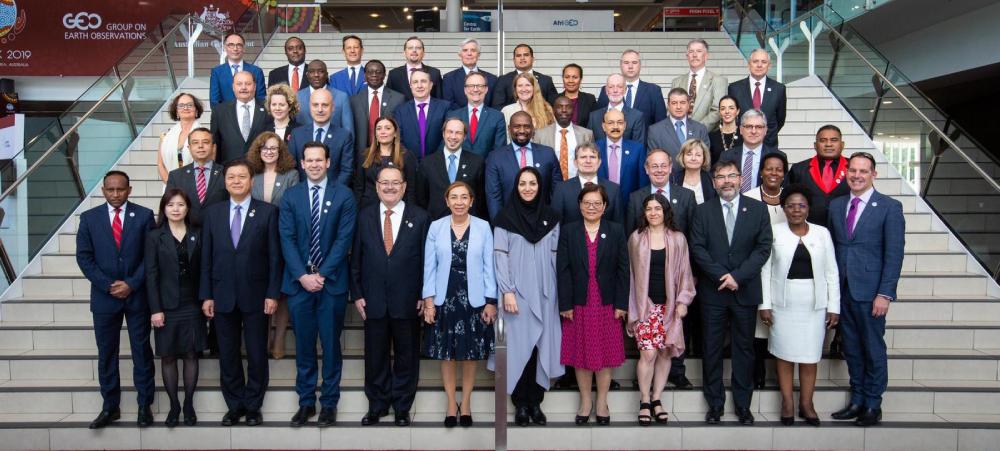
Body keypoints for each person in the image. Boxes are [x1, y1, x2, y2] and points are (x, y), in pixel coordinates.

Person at [688, 160, 773, 426]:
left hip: (744, 290)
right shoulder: (703, 211)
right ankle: (714, 405)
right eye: (721, 177)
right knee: (711, 349)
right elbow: (697, 248)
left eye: (732, 176)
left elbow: (763, 247)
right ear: (713, 182)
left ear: (740, 179)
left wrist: (738, 276)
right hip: (713, 292)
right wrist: (721, 276)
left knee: (743, 350)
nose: (727, 181)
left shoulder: (758, 210)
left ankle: (743, 406)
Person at [279, 143, 357, 427]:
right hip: (299, 285)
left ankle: (329, 404)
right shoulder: (291, 196)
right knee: (304, 346)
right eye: (309, 160)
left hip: (331, 283)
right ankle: (306, 402)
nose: (313, 165)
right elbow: (286, 239)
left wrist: (321, 274)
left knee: (331, 346)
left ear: (328, 162)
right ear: (302, 163)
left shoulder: (344, 195)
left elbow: (343, 240)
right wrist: (302, 275)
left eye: (318, 160)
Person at [200, 159, 283, 427]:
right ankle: (234, 405)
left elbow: (274, 257)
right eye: (231, 177)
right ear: (225, 181)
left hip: (257, 295)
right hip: (222, 295)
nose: (236, 181)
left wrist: (273, 294)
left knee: (257, 353)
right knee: (228, 353)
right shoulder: (213, 213)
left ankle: (253, 406)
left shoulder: (268, 212)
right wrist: (207, 295)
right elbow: (206, 258)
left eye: (242, 177)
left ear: (251, 181)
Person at [828, 152, 904, 427]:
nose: (857, 175)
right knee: (851, 347)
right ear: (846, 173)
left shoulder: (889, 207)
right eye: (853, 170)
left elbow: (894, 254)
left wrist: (885, 293)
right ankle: (857, 399)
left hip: (871, 293)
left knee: (872, 348)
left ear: (874, 174)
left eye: (863, 171)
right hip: (843, 291)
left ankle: (873, 403)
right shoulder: (836, 206)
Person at [351, 166, 430, 427]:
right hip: (372, 299)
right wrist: (358, 294)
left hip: (408, 299)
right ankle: (377, 405)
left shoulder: (420, 218)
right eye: (384, 183)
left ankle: (401, 407)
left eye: (395, 183)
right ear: (376, 187)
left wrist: (423, 293)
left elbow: (427, 261)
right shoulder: (364, 217)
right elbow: (356, 259)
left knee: (407, 356)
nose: (389, 187)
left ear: (404, 186)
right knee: (375, 355)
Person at [76, 170, 155, 429]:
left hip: (136, 296)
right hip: (104, 298)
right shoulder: (89, 219)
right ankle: (110, 407)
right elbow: (84, 258)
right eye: (110, 190)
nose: (116, 194)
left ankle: (145, 406)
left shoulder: (144, 216)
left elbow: (150, 256)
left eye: (121, 189)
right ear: (103, 190)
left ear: (129, 190)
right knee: (106, 353)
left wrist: (131, 284)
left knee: (141, 351)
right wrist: (108, 285)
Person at [758, 185, 840, 427]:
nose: (796, 210)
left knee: (809, 355)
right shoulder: (773, 232)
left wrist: (834, 306)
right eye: (791, 205)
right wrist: (765, 304)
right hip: (783, 302)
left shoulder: (822, 233)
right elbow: (765, 271)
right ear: (784, 208)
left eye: (801, 206)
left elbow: (831, 271)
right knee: (784, 354)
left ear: (808, 208)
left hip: (814, 304)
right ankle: (787, 403)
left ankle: (807, 403)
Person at [422, 182, 497, 428]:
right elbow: (429, 266)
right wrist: (429, 300)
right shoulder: (436, 227)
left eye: (464, 197)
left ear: (472, 201)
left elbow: (489, 266)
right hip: (444, 297)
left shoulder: (484, 227)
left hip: (474, 299)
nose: (459, 202)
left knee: (469, 353)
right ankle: (450, 403)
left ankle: (465, 404)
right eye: (454, 197)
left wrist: (490, 301)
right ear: (446, 201)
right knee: (447, 354)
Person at [493, 167, 564, 427]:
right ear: (516, 187)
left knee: (539, 347)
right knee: (518, 349)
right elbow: (500, 256)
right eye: (522, 183)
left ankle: (536, 403)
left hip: (546, 292)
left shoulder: (552, 217)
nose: (527, 188)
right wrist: (507, 290)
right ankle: (520, 404)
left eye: (533, 183)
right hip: (516, 295)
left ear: (540, 186)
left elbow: (556, 256)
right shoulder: (505, 218)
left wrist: (557, 292)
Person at [558, 183, 629, 426]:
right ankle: (586, 401)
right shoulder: (568, 231)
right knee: (581, 352)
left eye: (597, 203)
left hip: (606, 302)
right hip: (578, 302)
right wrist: (565, 303)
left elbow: (623, 270)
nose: (591, 207)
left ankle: (602, 402)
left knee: (605, 352)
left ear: (605, 206)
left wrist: (621, 303)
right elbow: (563, 270)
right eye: (587, 203)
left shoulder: (616, 230)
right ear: (579, 206)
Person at [627, 193, 695, 425]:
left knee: (665, 352)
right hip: (645, 305)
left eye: (658, 208)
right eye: (649, 209)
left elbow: (686, 271)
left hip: (670, 306)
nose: (653, 213)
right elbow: (629, 275)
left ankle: (657, 399)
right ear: (644, 213)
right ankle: (644, 400)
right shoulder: (636, 238)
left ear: (666, 211)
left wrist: (683, 301)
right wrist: (634, 304)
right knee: (648, 353)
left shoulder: (678, 239)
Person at [144, 188, 207, 427]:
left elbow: (205, 269)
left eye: (180, 205)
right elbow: (151, 275)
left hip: (192, 302)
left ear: (187, 208)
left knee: (191, 354)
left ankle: (189, 404)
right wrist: (155, 309)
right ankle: (174, 405)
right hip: (166, 305)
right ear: (164, 209)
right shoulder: (154, 236)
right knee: (168, 355)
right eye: (171, 205)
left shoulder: (197, 234)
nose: (176, 209)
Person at [246, 131, 300, 359]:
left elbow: (293, 206)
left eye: (273, 148)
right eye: (264, 148)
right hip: (255, 239)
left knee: (283, 291)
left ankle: (278, 340)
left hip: (281, 236)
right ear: (258, 151)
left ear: (280, 152)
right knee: (261, 289)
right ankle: (263, 337)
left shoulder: (291, 175)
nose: (269, 152)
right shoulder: (251, 175)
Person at [744, 152, 789, 389]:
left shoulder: (791, 200)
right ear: (761, 172)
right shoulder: (749, 198)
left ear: (784, 173)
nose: (773, 173)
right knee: (758, 324)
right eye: (769, 169)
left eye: (778, 169)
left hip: (784, 269)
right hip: (756, 267)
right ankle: (758, 370)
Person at [485, 111, 563, 219]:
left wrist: (553, 221)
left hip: (542, 221)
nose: (522, 131)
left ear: (532, 128)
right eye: (517, 126)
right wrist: (499, 225)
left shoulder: (548, 154)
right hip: (510, 223)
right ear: (509, 128)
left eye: (526, 126)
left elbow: (557, 192)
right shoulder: (495, 157)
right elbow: (493, 197)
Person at [417, 118, 487, 219]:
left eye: (458, 133)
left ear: (464, 137)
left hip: (468, 223)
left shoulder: (477, 162)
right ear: (443, 134)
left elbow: (480, 199)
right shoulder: (427, 163)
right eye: (450, 132)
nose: (453, 137)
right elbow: (421, 199)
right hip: (435, 223)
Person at [287, 88, 354, 186]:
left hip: (333, 196)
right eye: (315, 105)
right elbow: (291, 169)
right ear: (310, 107)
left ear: (333, 107)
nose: (320, 110)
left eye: (325, 105)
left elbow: (346, 171)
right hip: (302, 195)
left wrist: (332, 193)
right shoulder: (297, 134)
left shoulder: (344, 136)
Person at [787, 124, 851, 225]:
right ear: (815, 145)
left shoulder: (854, 168)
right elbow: (787, 201)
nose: (828, 144)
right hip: (809, 232)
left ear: (842, 144)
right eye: (823, 140)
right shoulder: (798, 169)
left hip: (845, 230)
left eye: (834, 140)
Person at [626, 148, 696, 235]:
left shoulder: (687, 196)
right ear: (647, 169)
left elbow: (693, 234)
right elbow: (630, 234)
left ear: (670, 168)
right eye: (654, 166)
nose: (659, 170)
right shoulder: (635, 198)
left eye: (664, 166)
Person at [166, 128, 228, 226]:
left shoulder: (226, 173)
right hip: (186, 232)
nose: (200, 146)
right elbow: (169, 207)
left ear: (213, 147)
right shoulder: (176, 176)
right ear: (189, 147)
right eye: (195, 143)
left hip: (218, 231)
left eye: (205, 142)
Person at [354, 116, 418, 209]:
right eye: (379, 129)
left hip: (399, 209)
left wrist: (410, 212)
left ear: (395, 133)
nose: (382, 132)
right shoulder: (365, 156)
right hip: (369, 209)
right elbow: (359, 188)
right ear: (375, 133)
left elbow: (411, 189)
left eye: (387, 128)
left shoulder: (407, 156)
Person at [551, 143, 622, 224]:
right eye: (583, 157)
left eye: (592, 157)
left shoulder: (613, 189)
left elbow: (618, 225)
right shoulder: (561, 189)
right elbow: (555, 225)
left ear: (599, 162)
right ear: (575, 162)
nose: (588, 161)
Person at [728, 49, 787, 147]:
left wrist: (763, 131)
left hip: (769, 146)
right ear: (749, 64)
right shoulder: (734, 88)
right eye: (755, 61)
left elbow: (780, 119)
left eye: (764, 62)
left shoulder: (779, 89)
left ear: (769, 65)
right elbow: (732, 118)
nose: (759, 65)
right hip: (740, 145)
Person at [720, 109, 786, 193]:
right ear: (741, 129)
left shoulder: (778, 157)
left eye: (758, 127)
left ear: (765, 130)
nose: (753, 131)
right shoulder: (726, 156)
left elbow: (783, 189)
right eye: (748, 126)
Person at [349, 59, 405, 157]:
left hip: (390, 154)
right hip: (362, 155)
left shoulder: (398, 98)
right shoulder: (354, 100)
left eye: (378, 72)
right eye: (370, 72)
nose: (374, 75)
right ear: (365, 75)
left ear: (384, 75)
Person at [597, 49, 667, 125]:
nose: (630, 66)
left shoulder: (654, 91)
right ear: (620, 65)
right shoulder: (607, 90)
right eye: (626, 63)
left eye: (634, 62)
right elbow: (599, 120)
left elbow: (661, 124)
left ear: (640, 65)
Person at [393, 68, 451, 159]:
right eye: (415, 82)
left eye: (423, 81)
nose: (419, 85)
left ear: (431, 85)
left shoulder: (445, 107)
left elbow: (448, 136)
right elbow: (398, 139)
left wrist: (436, 159)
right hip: (409, 164)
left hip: (437, 163)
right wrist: (409, 159)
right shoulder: (400, 110)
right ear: (411, 86)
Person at [446, 71, 507, 157]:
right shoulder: (452, 116)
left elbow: (499, 150)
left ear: (486, 89)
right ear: (465, 90)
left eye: (480, 86)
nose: (475, 89)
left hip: (487, 168)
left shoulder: (497, 117)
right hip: (459, 168)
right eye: (471, 86)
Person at [210, 71, 267, 164]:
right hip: (229, 171)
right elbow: (215, 143)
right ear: (233, 87)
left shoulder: (268, 109)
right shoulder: (219, 111)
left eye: (248, 84)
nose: (243, 87)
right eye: (239, 84)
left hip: (260, 170)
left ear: (255, 86)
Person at [671, 39, 728, 131]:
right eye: (691, 51)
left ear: (706, 56)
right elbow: (671, 109)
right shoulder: (676, 82)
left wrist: (696, 130)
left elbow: (718, 110)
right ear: (687, 56)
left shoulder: (718, 80)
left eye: (699, 51)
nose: (694, 55)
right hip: (678, 135)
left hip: (706, 136)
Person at [533, 95, 594, 180]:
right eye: (559, 107)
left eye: (568, 107)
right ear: (553, 110)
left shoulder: (586, 134)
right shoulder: (540, 135)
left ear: (573, 110)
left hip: (578, 185)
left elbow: (591, 163)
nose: (564, 110)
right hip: (550, 186)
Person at [596, 109, 648, 208]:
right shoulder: (595, 149)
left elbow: (643, 182)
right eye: (611, 123)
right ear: (604, 126)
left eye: (619, 123)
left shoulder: (638, 149)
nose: (615, 127)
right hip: (599, 206)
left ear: (624, 125)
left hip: (629, 206)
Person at [647, 88, 710, 161]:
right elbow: (653, 161)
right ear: (668, 105)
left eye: (682, 102)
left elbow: (706, 159)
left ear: (688, 105)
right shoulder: (655, 130)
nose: (678, 107)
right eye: (674, 103)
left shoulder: (700, 129)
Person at [491, 44, 558, 109]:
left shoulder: (546, 80)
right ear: (514, 60)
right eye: (518, 55)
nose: (522, 58)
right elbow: (497, 107)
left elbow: (554, 106)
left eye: (526, 55)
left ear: (533, 59)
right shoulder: (503, 80)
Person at [293, 60, 353, 132]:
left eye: (321, 71)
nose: (316, 75)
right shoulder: (297, 97)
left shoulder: (341, 97)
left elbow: (348, 130)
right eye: (312, 72)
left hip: (333, 142)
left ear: (326, 74)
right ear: (307, 75)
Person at [157, 93, 205, 183]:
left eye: (190, 105)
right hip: (170, 189)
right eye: (181, 105)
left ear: (196, 110)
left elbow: (209, 163)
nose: (185, 108)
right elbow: (161, 164)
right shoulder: (165, 136)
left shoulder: (206, 135)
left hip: (197, 187)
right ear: (176, 111)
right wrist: (171, 185)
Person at [588, 73, 646, 145]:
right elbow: (589, 146)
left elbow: (638, 147)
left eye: (619, 87)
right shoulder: (594, 116)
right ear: (606, 90)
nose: (615, 90)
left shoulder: (636, 116)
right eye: (611, 87)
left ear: (625, 90)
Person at [209, 32, 265, 104]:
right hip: (225, 114)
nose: (235, 49)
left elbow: (261, 99)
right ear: (225, 48)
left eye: (239, 45)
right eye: (231, 45)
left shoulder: (256, 71)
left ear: (244, 48)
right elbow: (214, 101)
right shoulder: (217, 72)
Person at [442, 38, 498, 108]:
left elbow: (494, 105)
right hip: (458, 118)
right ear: (460, 55)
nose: (469, 54)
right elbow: (449, 105)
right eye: (465, 50)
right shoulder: (449, 78)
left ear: (478, 55)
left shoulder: (492, 79)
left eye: (473, 50)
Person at [500, 73, 555, 141]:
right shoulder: (506, 111)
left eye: (528, 85)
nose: (524, 89)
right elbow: (505, 139)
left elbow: (551, 137)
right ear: (515, 89)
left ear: (534, 88)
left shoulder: (546, 109)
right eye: (520, 86)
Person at [671, 138, 717, 205]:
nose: (693, 158)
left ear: (704, 158)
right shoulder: (673, 179)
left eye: (698, 155)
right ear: (682, 156)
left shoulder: (712, 179)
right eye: (689, 154)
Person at [707, 95, 742, 165]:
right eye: (723, 109)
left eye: (731, 108)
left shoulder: (744, 135)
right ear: (719, 112)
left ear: (737, 111)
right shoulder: (711, 136)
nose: (727, 111)